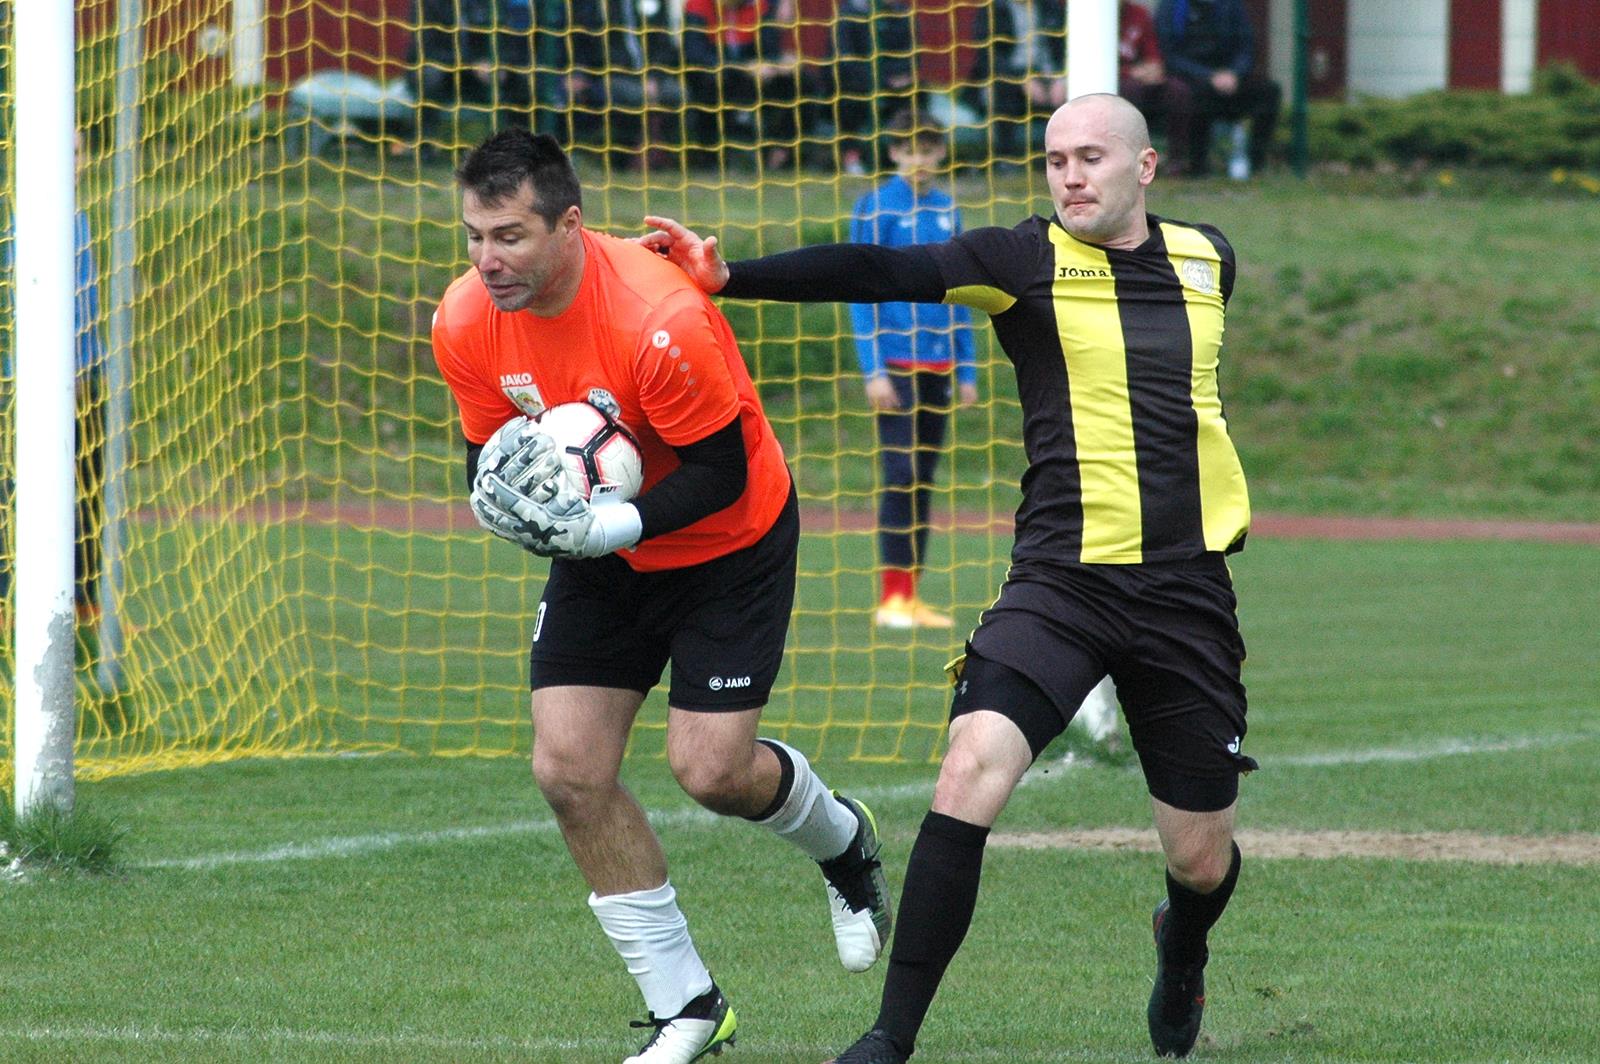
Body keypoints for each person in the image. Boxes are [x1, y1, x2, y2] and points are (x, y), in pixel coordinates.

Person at [641, 92, 1258, 1062]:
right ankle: (889, 1036)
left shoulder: (1209, 256)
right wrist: (734, 276)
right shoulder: (1020, 260)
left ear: (1144, 168)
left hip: (1186, 592)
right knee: (970, 767)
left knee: (1198, 855)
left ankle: (1181, 949)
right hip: (1060, 585)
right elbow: (882, 267)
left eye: (1091, 157)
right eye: (1054, 159)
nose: (1069, 175)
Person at [429, 128, 894, 1064]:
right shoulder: (465, 319)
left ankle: (845, 843)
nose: (489, 261)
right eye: (475, 235)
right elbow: (488, 456)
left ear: (571, 224)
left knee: (712, 773)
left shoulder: (656, 314)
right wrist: (515, 508)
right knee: (567, 770)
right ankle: (688, 1007)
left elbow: (721, 471)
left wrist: (619, 523)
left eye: (511, 236)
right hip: (607, 553)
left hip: (730, 542)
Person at [847, 110, 976, 630]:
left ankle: (912, 596)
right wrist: (872, 368)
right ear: (895, 153)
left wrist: (967, 368)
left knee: (923, 478)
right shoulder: (875, 208)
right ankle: (890, 597)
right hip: (895, 368)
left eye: (928, 150)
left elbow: (962, 291)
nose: (919, 160)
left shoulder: (948, 210)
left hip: (939, 366)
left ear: (941, 153)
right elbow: (860, 293)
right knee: (898, 476)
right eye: (909, 150)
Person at [0, 130, 109, 632]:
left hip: (85, 383)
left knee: (86, 494)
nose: (72, 163)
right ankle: (8, 602)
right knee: (16, 493)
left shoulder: (80, 221)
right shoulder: (21, 227)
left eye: (77, 153)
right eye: (59, 152)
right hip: (29, 388)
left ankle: (84, 602)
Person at [680, 0, 817, 170]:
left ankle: (782, 151)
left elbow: (769, 49)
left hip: (753, 81)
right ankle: (711, 160)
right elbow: (694, 55)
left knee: (804, 82)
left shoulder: (761, 6)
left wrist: (779, 63)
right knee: (709, 84)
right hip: (716, 81)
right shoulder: (698, 6)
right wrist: (743, 67)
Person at [546, 0, 683, 164]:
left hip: (651, 76)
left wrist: (653, 75)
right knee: (634, 95)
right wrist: (578, 72)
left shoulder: (652, 3)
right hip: (607, 74)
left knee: (678, 93)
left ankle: (655, 151)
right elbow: (579, 41)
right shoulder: (590, 5)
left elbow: (663, 44)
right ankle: (632, 154)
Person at [1154, 0, 1281, 177]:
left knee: (1269, 92)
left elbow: (1247, 46)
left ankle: (1255, 163)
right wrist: (1207, 76)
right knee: (1189, 97)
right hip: (1192, 79)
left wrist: (1235, 73)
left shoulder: (1231, 5)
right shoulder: (1171, 7)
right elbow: (1170, 55)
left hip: (1231, 78)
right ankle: (1198, 167)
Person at [410, 0, 534, 149]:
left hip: (481, 73)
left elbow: (509, 42)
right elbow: (427, 50)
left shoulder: (491, 5)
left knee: (524, 77)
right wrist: (470, 64)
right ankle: (424, 145)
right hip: (448, 72)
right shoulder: (429, 4)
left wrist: (501, 64)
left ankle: (520, 147)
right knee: (430, 74)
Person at [832, 0, 920, 176]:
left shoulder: (903, 15)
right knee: (847, 100)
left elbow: (912, 57)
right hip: (858, 83)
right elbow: (845, 60)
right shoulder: (848, 15)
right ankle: (851, 157)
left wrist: (896, 77)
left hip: (895, 85)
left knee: (915, 95)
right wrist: (881, 80)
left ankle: (905, 156)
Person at [1118, 0, 1195, 174]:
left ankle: (1176, 160)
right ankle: (1130, 162)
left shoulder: (1139, 14)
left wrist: (1153, 67)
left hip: (1143, 77)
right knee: (1130, 92)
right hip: (1119, 82)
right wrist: (1129, 72)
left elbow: (1153, 53)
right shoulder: (1093, 18)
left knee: (1178, 91)